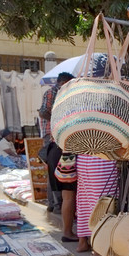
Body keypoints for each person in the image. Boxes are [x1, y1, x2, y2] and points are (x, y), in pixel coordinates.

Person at [39, 72, 78, 242]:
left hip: (61, 142)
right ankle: (56, 205)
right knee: (63, 183)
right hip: (58, 141)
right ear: (63, 82)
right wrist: (58, 116)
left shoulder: (68, 94)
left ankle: (60, 213)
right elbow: (43, 112)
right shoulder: (52, 93)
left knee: (64, 185)